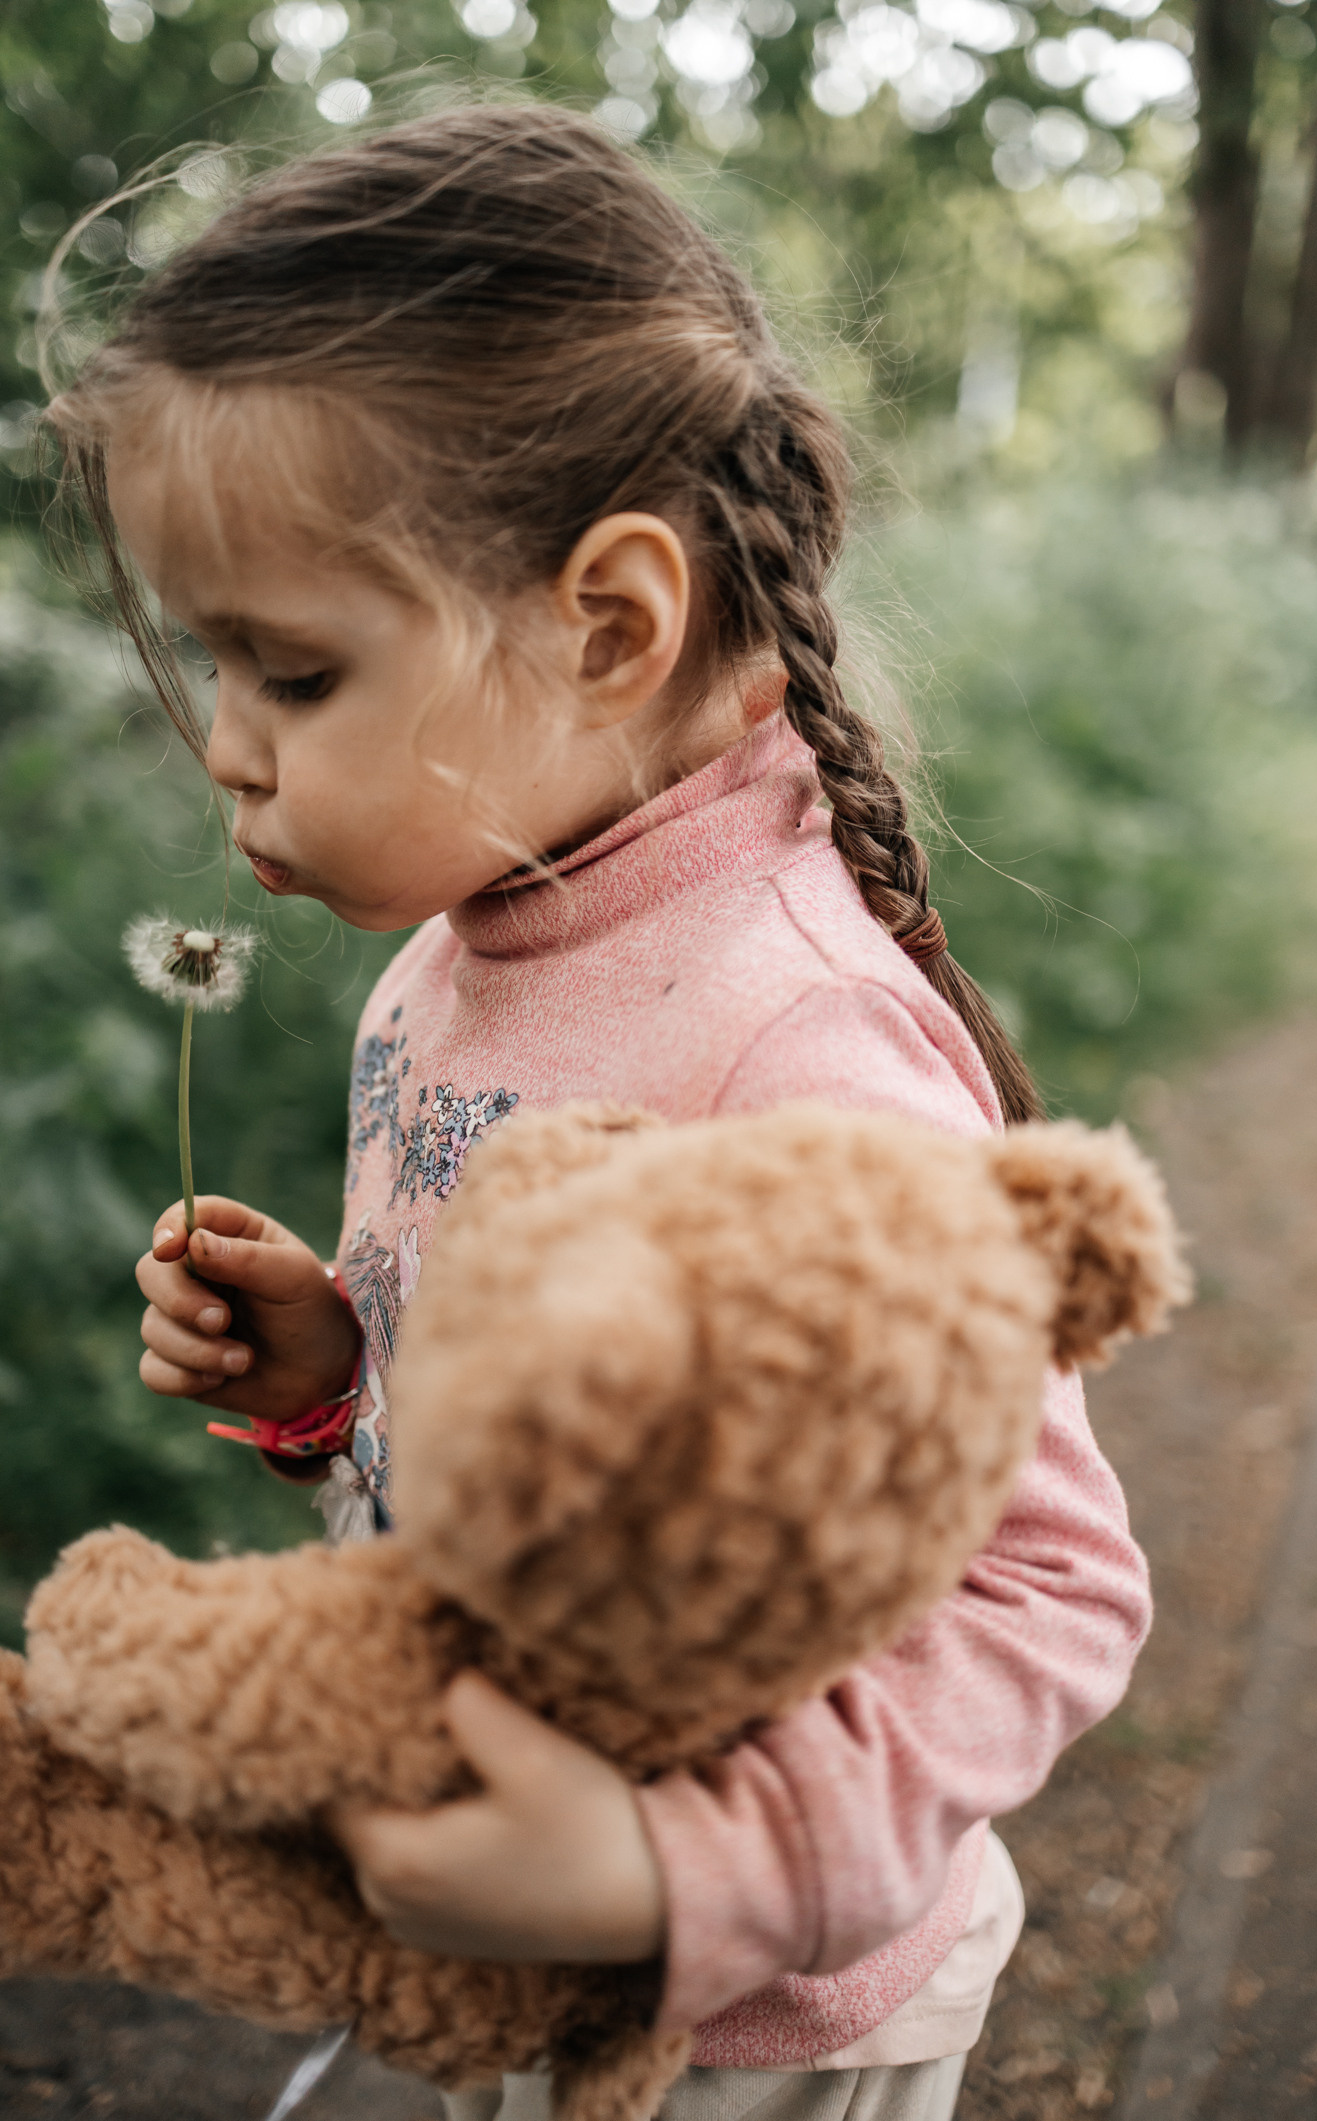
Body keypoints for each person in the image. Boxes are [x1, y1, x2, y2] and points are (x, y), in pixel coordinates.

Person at [49, 104, 1151, 2121]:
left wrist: (677, 1872)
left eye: (288, 671)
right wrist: (334, 1375)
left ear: (608, 620)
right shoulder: (460, 947)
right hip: (501, 1949)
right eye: (210, 665)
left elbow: (1048, 1586)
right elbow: (563, 1461)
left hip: (754, 2020)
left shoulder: (789, 1042)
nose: (222, 749)